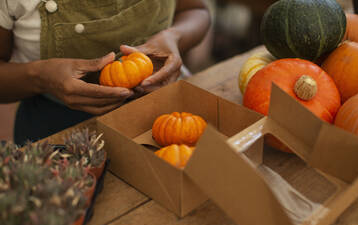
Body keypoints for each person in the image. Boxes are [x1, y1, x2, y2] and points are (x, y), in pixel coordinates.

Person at [0, 0, 210, 145]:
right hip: (59, 127)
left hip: (168, 109)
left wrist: (174, 37)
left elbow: (196, 10)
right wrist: (41, 78)